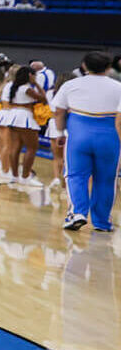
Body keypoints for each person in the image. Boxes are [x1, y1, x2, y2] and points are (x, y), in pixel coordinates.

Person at [52, 53, 121, 232]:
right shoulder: (118, 87)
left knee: (76, 176)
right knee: (106, 179)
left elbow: (58, 111)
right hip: (109, 136)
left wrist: (59, 132)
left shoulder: (70, 85)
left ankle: (77, 213)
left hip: (78, 135)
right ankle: (102, 222)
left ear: (84, 65)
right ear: (108, 68)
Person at [0, 66, 45, 187]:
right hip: (24, 118)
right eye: (34, 75)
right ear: (29, 75)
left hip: (13, 117)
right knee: (32, 148)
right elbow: (44, 98)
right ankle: (25, 177)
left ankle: (14, 176)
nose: (35, 78)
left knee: (15, 147)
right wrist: (37, 84)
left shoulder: (12, 86)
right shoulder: (27, 89)